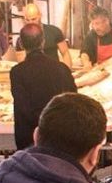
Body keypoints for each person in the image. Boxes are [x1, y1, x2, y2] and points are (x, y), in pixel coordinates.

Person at [9, 23, 75, 152]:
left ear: (21, 44)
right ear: (43, 42)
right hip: (59, 136)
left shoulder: (17, 72)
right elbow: (73, 101)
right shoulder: (62, 69)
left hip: (27, 139)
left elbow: (22, 106)